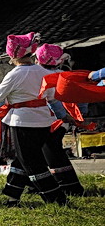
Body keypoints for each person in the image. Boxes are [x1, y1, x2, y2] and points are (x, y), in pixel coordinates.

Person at [0, 33, 66, 206]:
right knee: (22, 158)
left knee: (31, 162)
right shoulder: (43, 72)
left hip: (22, 121)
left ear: (12, 54)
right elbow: (52, 98)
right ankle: (12, 196)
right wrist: (63, 116)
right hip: (44, 121)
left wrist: (2, 104)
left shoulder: (14, 74)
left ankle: (56, 198)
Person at [35, 44, 84, 196]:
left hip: (53, 119)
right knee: (51, 150)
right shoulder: (63, 74)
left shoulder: (43, 76)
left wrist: (63, 115)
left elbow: (51, 100)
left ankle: (67, 185)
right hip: (63, 120)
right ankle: (68, 185)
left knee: (51, 151)